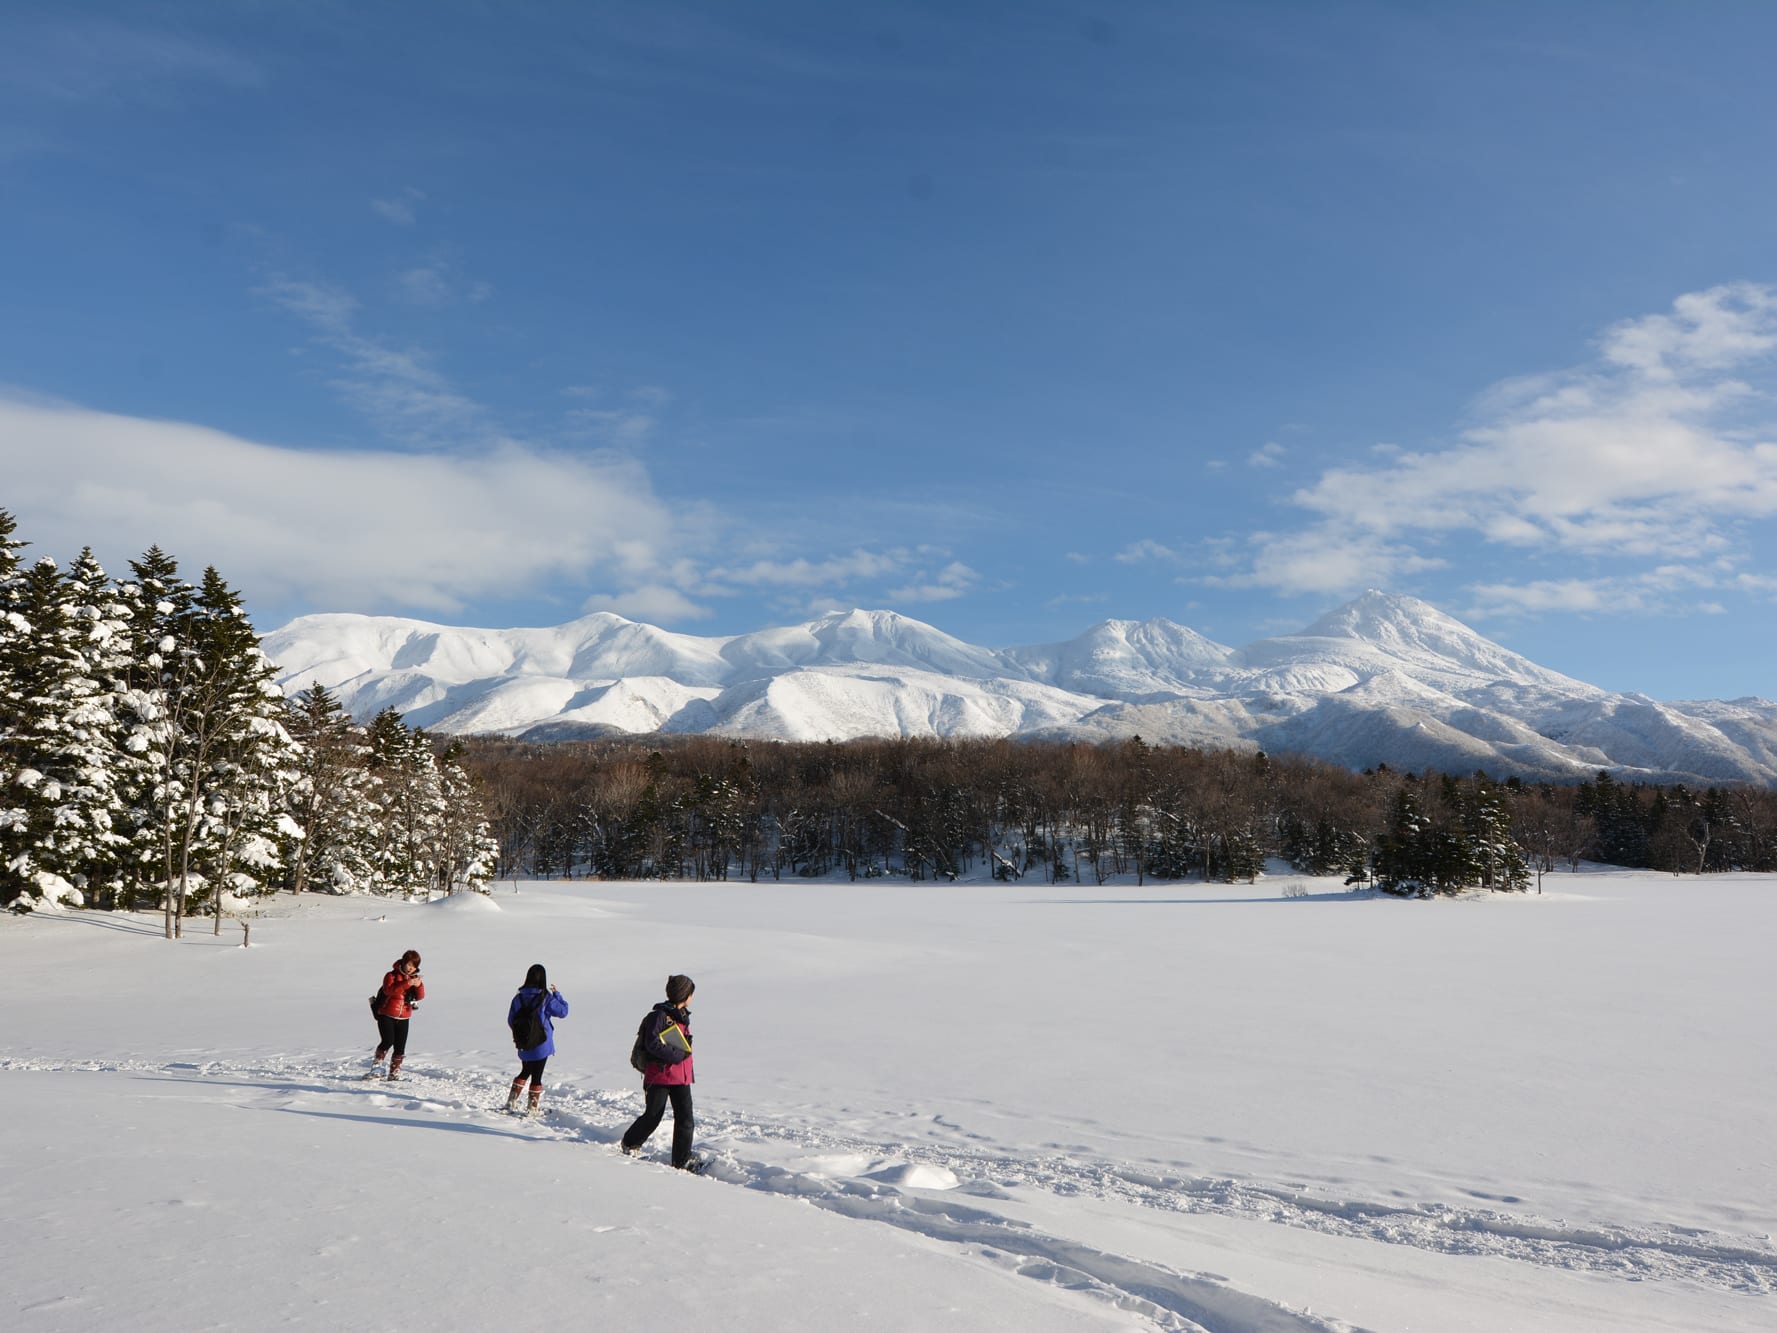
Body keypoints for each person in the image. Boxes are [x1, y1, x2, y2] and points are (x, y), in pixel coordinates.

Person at [619, 974, 701, 1171]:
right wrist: (677, 1054)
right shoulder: (659, 1016)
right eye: (691, 993)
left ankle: (681, 1160)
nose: (692, 997)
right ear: (685, 994)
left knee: (685, 1119)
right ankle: (630, 1142)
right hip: (660, 1075)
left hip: (681, 1076)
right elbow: (652, 1043)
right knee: (653, 1115)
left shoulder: (682, 1016)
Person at [506, 962, 569, 1116]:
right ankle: (532, 1108)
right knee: (537, 1075)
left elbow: (510, 1020)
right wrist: (558, 995)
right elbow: (563, 1012)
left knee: (525, 1070)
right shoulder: (545, 998)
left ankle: (511, 1101)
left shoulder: (518, 998)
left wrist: (523, 1034)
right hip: (541, 1043)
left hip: (523, 1042)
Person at [370, 949, 425, 1080]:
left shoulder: (413, 979)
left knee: (400, 1047)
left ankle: (394, 1072)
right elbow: (389, 991)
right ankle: (376, 1068)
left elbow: (420, 996)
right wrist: (407, 983)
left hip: (404, 1016)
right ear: (404, 962)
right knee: (387, 1041)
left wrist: (419, 985)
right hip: (386, 1014)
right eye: (409, 964)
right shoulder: (391, 976)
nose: (411, 968)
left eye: (414, 966)